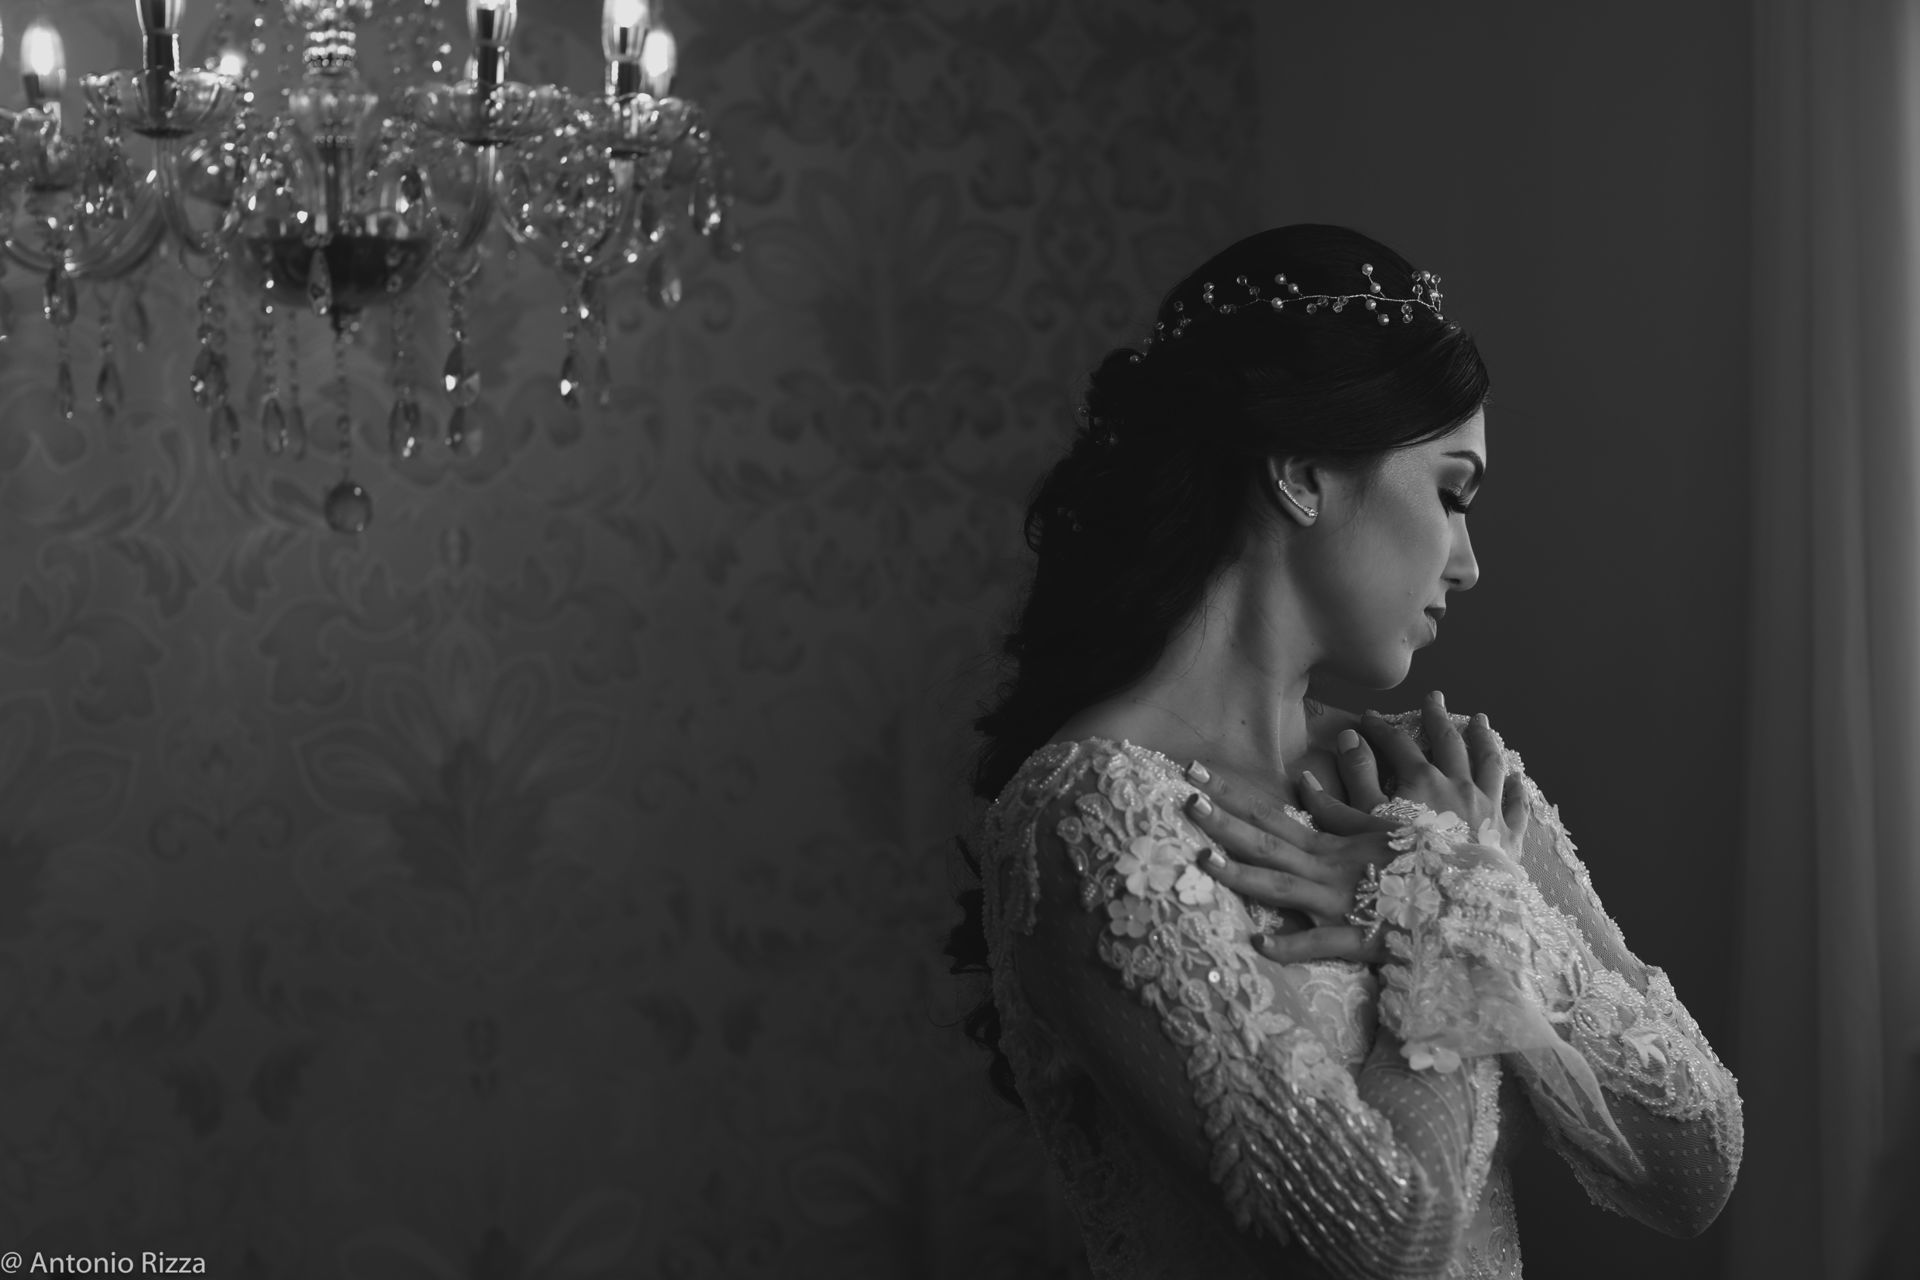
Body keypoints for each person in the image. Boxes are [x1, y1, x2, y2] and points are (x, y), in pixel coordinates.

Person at [945, 224, 1744, 1279]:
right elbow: (1384, 1244)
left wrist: (1465, 884)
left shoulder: (1439, 787)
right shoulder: (1093, 816)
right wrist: (1443, 915)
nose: (1468, 563)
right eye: (1450, 493)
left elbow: (1697, 1167)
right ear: (1302, 474)